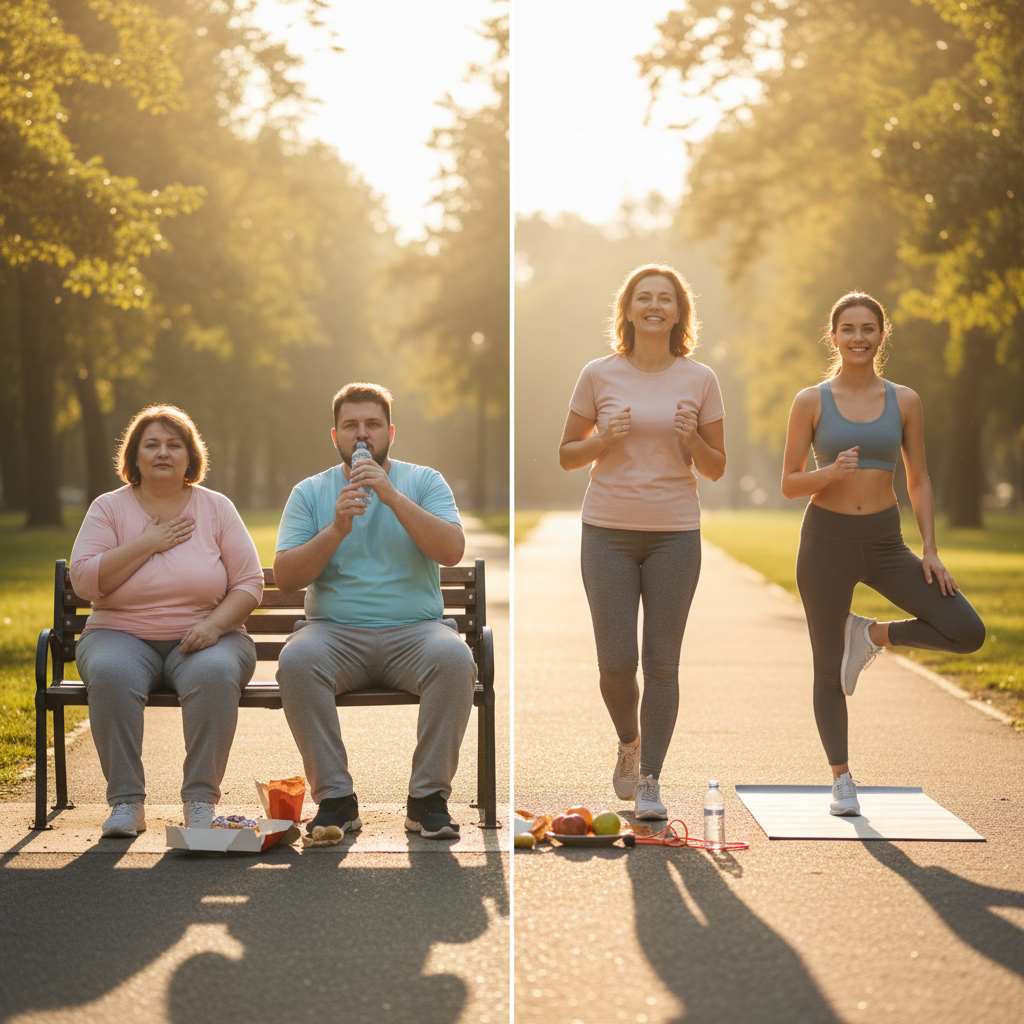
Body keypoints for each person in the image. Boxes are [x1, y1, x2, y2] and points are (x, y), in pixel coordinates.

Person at [782, 292, 985, 816]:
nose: (857, 337)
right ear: (833, 337)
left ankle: (870, 634)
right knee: (827, 669)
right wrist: (828, 473)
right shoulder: (810, 400)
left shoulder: (905, 400)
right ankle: (842, 779)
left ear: (881, 335)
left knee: (967, 632)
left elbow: (918, 479)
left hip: (885, 542)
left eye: (868, 328)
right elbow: (788, 483)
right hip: (824, 543)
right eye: (847, 328)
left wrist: (932, 550)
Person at [558, 264, 727, 820]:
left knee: (662, 664)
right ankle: (629, 741)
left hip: (675, 534)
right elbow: (567, 454)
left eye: (665, 299)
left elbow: (717, 467)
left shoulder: (700, 379)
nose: (654, 306)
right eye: (644, 298)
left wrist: (694, 437)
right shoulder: (597, 373)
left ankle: (650, 779)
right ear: (627, 310)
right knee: (615, 664)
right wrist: (602, 438)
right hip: (606, 531)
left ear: (679, 312)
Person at [274, 382, 475, 840]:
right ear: (335, 436)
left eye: (372, 425)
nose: (361, 435)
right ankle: (336, 800)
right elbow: (286, 576)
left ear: (390, 432)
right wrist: (337, 528)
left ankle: (427, 800)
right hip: (334, 634)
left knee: (455, 657)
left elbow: (452, 550)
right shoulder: (310, 492)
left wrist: (392, 497)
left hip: (417, 632)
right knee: (297, 660)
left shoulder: (424, 482)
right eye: (351, 426)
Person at [69, 405, 264, 838]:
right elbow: (85, 580)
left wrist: (213, 626)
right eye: (151, 444)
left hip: (206, 635)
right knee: (111, 673)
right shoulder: (109, 508)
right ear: (134, 458)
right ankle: (125, 803)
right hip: (118, 633)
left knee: (214, 674)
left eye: (174, 445)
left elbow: (249, 583)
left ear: (190, 456)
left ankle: (199, 801)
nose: (163, 452)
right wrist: (147, 543)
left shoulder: (216, 508)